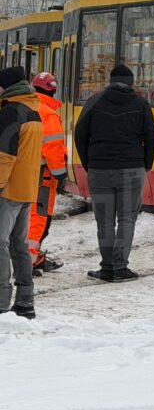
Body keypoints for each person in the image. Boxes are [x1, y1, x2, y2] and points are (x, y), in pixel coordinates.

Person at [74, 64, 154, 283]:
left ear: (110, 81)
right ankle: (120, 268)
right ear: (131, 82)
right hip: (131, 169)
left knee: (104, 222)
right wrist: (145, 164)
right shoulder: (140, 103)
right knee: (127, 220)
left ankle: (108, 267)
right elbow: (151, 136)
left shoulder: (94, 101)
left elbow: (80, 134)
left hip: (99, 170)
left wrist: (89, 164)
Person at [0, 66, 43, 319]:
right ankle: (26, 301)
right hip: (27, 189)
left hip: (8, 190)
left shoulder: (11, 111)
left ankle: (2, 301)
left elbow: (5, 157)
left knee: (0, 245)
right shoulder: (33, 111)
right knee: (20, 246)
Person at [28, 72, 68, 275]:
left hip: (20, 173)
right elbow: (53, 148)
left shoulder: (21, 107)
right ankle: (30, 261)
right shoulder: (48, 114)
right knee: (38, 218)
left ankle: (29, 257)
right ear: (53, 90)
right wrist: (61, 174)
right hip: (41, 176)